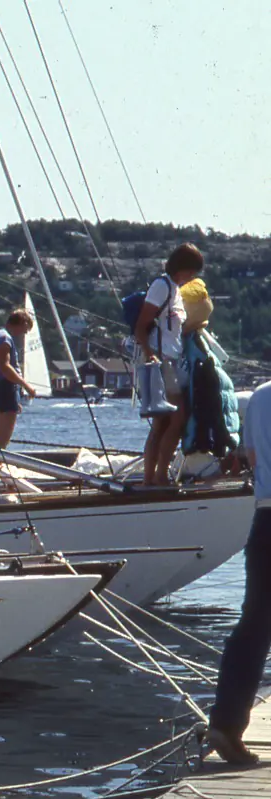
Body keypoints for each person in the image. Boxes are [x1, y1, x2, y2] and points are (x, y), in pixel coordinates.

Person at [207, 380, 271, 765]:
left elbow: (250, 456)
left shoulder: (260, 396)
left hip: (265, 518)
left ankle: (227, 725)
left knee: (254, 626)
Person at [137, 242, 205, 486]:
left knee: (162, 422)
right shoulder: (161, 286)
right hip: (161, 360)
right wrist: (149, 354)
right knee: (176, 419)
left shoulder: (175, 289)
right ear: (183, 267)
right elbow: (142, 325)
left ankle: (152, 477)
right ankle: (158, 476)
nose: (193, 276)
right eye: (192, 270)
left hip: (170, 360)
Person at [0, 309, 38, 449]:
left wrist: (16, 399)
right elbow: (5, 367)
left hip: (3, 389)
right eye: (25, 330)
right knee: (3, 439)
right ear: (19, 324)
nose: (24, 334)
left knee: (0, 437)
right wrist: (27, 386)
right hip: (6, 388)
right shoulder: (4, 339)